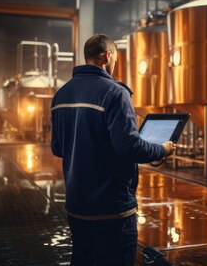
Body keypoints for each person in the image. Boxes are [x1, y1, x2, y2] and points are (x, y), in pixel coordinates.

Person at [51, 34, 175, 265]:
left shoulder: (61, 94)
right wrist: (162, 150)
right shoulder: (115, 93)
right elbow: (130, 147)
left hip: (77, 207)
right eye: (115, 58)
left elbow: (58, 148)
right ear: (107, 56)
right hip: (112, 209)